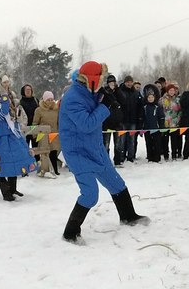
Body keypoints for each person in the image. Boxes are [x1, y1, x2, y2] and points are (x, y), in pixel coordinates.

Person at [59, 61, 148, 243]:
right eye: (100, 80)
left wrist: (109, 99)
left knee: (116, 183)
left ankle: (128, 216)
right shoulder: (73, 98)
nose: (102, 83)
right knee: (90, 194)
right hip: (77, 152)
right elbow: (86, 124)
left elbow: (113, 106)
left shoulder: (90, 92)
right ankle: (70, 233)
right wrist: (104, 107)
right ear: (90, 80)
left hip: (95, 148)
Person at [0, 75, 36, 202]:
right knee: (1, 161)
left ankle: (12, 188)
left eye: (7, 82)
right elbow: (2, 112)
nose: (6, 84)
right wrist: (4, 97)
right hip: (0, 134)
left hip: (12, 132)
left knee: (14, 159)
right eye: (4, 82)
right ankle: (5, 191)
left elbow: (16, 112)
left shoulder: (12, 95)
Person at [32, 91, 62, 178]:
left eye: (52, 99)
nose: (50, 101)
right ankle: (44, 170)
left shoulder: (56, 109)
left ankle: (55, 170)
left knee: (53, 152)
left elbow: (59, 122)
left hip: (54, 133)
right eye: (48, 100)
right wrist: (35, 135)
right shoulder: (39, 110)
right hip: (43, 135)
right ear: (44, 100)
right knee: (44, 153)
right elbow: (35, 123)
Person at [141, 91, 166, 162]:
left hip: (156, 128)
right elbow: (142, 117)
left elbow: (161, 117)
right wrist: (142, 127)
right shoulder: (145, 107)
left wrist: (161, 126)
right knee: (148, 143)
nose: (150, 99)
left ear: (154, 98)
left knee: (157, 143)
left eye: (152, 97)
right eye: (149, 97)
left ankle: (157, 157)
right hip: (147, 128)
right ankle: (150, 157)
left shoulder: (157, 107)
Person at [160, 83, 182, 161]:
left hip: (174, 123)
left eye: (173, 90)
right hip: (165, 122)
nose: (172, 92)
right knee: (165, 140)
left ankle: (174, 155)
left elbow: (180, 111)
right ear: (167, 91)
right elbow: (160, 110)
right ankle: (166, 155)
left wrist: (178, 119)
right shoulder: (162, 99)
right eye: (170, 90)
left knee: (174, 140)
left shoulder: (177, 100)